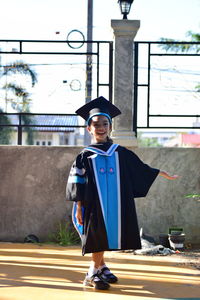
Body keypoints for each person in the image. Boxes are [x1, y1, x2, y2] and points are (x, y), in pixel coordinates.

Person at [66, 96, 178, 290]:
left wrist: (159, 172)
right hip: (93, 204)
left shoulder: (120, 152)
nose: (101, 127)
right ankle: (92, 272)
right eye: (96, 124)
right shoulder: (85, 156)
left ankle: (101, 267)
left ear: (110, 127)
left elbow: (140, 168)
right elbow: (78, 183)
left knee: (108, 234)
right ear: (89, 129)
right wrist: (78, 208)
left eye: (105, 123)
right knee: (96, 236)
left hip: (116, 204)